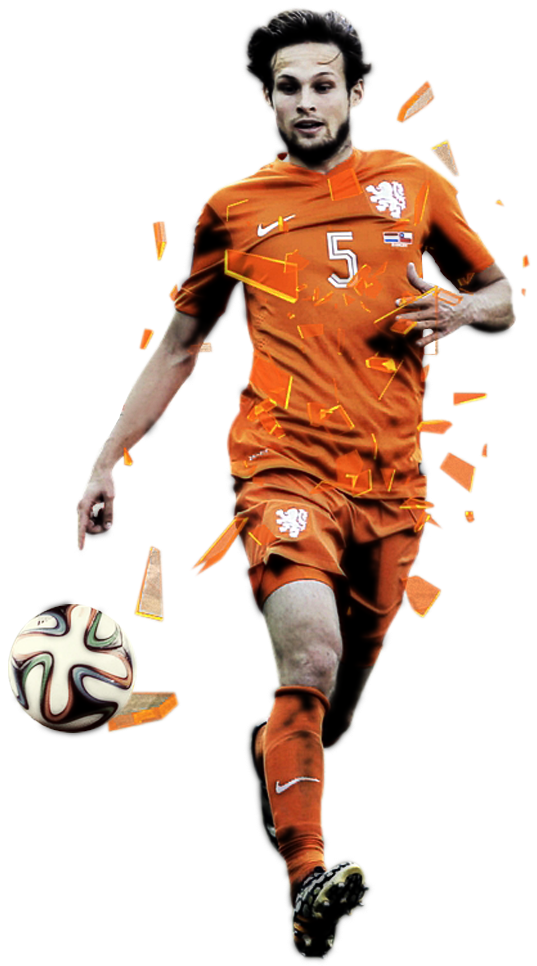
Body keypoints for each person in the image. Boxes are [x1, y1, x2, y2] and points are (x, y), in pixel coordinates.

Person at [75, 4, 516, 958]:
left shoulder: (414, 183)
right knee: (306, 661)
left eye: (323, 84)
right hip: (281, 467)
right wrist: (105, 458)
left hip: (393, 485)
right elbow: (181, 344)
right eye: (287, 87)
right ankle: (307, 880)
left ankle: (275, 756)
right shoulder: (230, 208)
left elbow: (502, 298)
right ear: (264, 97)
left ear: (357, 90)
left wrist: (460, 309)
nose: (306, 102)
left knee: (334, 714)